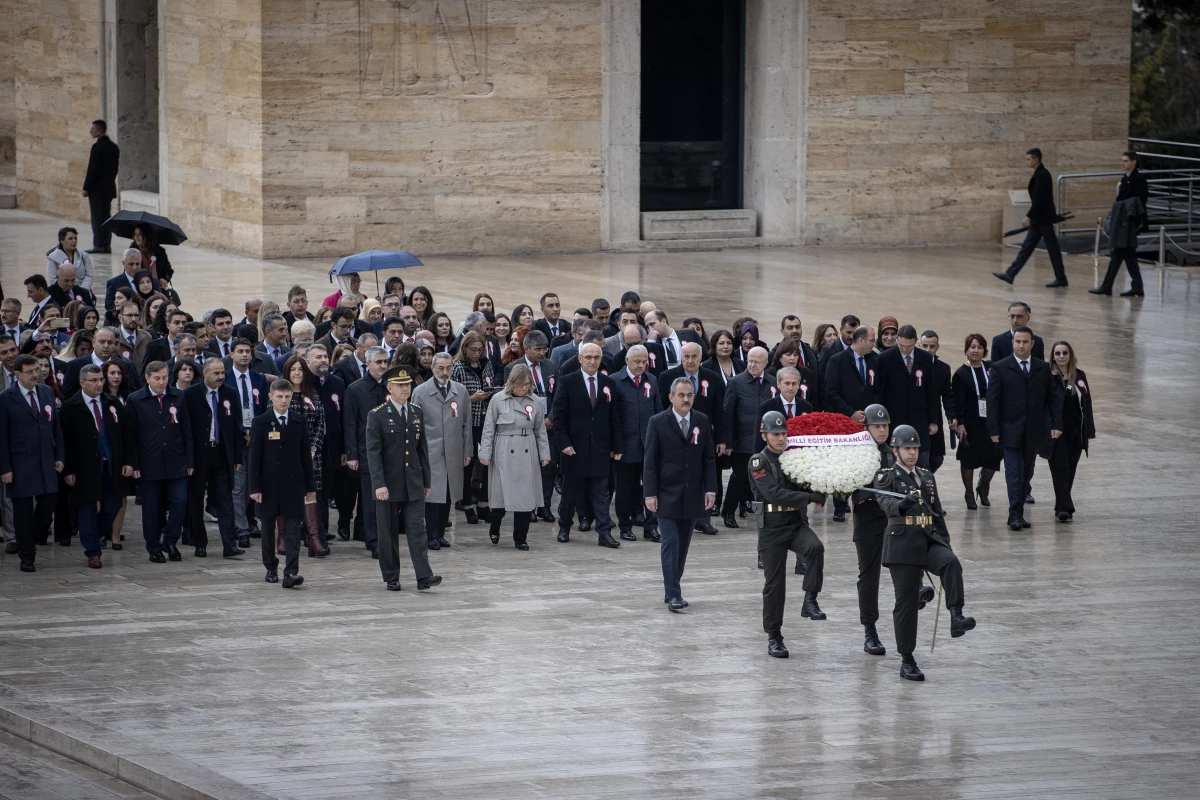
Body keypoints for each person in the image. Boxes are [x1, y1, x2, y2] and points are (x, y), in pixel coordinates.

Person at [874, 425, 977, 681]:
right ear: (896, 450)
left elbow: (937, 514)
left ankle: (956, 615)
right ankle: (907, 659)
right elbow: (886, 504)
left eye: (915, 449)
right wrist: (902, 504)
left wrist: (945, 544)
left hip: (928, 538)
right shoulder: (886, 477)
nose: (911, 453)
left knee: (951, 562)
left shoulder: (927, 476)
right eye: (907, 449)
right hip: (902, 545)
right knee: (906, 604)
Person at [749, 411, 828, 659]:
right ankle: (774, 636)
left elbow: (806, 482)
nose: (781, 438)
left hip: (794, 524)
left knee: (815, 547)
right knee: (775, 585)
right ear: (765, 436)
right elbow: (773, 494)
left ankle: (810, 600)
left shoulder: (795, 459)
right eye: (775, 434)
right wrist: (808, 498)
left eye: (784, 433)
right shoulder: (758, 462)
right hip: (772, 528)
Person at [643, 377, 717, 611]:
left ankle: (671, 585)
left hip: (692, 493)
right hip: (665, 494)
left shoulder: (701, 421)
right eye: (682, 395)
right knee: (670, 543)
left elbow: (708, 458)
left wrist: (710, 489)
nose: (686, 400)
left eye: (690, 395)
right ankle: (674, 594)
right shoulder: (658, 422)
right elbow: (650, 461)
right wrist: (650, 493)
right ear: (671, 397)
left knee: (683, 546)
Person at [366, 366, 441, 592]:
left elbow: (422, 449)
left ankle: (423, 576)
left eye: (407, 384)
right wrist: (378, 484)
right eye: (400, 385)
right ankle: (391, 576)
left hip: (413, 482)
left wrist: (426, 480)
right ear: (389, 388)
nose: (405, 389)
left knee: (418, 529)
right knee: (388, 533)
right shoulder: (377, 414)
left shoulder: (416, 411)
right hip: (388, 483)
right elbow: (373, 453)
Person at [986, 326, 1063, 530]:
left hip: (1034, 431)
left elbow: (1052, 399)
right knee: (1014, 473)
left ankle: (1018, 512)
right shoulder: (1001, 367)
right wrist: (993, 430)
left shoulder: (1042, 368)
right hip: (1009, 431)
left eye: (1025, 342)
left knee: (1026, 472)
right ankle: (1015, 514)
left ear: (1032, 344)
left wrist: (1056, 424)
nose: (1021, 345)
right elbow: (992, 402)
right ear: (1013, 343)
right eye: (1018, 341)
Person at [62, 364, 134, 569]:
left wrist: (129, 461)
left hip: (111, 464)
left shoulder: (112, 403)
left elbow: (126, 434)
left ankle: (95, 534)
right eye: (94, 380)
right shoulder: (71, 406)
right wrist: (68, 470)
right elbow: (65, 441)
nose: (99, 384)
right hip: (85, 468)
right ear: (82, 382)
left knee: (114, 504)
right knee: (87, 509)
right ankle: (93, 552)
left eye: (100, 380)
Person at [551, 342, 623, 546]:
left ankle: (604, 532)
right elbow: (559, 417)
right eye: (588, 357)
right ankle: (564, 526)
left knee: (601, 493)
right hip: (574, 449)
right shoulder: (567, 381)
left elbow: (614, 418)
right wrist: (563, 443)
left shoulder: (608, 383)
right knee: (570, 494)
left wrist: (617, 446)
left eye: (596, 358)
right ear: (580, 359)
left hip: (600, 448)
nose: (592, 361)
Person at [248, 379, 316, 588]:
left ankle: (291, 571)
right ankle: (270, 567)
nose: (283, 400)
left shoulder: (298, 420)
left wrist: (310, 487)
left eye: (287, 396)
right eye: (279, 396)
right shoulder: (261, 422)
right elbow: (255, 456)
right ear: (271, 397)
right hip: (268, 485)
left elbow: (305, 455)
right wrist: (255, 487)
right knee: (268, 528)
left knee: (294, 529)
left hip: (293, 483)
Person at [0, 355, 65, 572]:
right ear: (17, 374)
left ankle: (35, 535)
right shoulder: (6, 398)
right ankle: (27, 555)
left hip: (46, 458)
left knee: (49, 503)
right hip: (20, 462)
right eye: (29, 371)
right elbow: (2, 436)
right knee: (23, 512)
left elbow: (56, 427)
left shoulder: (46, 392)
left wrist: (59, 456)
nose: (35, 374)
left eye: (36, 370)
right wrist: (5, 468)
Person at [478, 363, 552, 549]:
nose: (523, 388)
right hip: (503, 449)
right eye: (520, 385)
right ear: (511, 383)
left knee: (525, 500)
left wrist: (545, 454)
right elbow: (488, 428)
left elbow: (540, 430)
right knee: (500, 499)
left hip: (526, 449)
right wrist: (485, 453)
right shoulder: (498, 400)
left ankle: (520, 538)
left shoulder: (534, 401)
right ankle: (495, 527)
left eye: (527, 384)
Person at [657, 341, 727, 534]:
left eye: (694, 356)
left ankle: (703, 519)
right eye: (686, 356)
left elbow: (719, 411)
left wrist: (721, 439)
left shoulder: (712, 378)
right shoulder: (667, 377)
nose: (689, 360)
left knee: (703, 474)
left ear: (701, 358)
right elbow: (661, 409)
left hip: (703, 436)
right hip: (674, 438)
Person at [127, 361, 194, 562]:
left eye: (164, 378)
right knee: (151, 508)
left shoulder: (178, 396)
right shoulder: (136, 400)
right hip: (149, 463)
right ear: (147, 378)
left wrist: (190, 461)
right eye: (157, 378)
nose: (161, 382)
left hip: (176, 461)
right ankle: (153, 547)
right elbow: (130, 435)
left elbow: (187, 431)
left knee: (180, 501)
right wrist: (134, 464)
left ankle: (171, 541)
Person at [182, 358, 244, 558]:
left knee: (225, 500)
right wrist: (188, 460)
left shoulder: (230, 393)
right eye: (216, 373)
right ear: (205, 374)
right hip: (199, 455)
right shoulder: (191, 395)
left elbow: (236, 426)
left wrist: (237, 457)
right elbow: (186, 430)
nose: (220, 377)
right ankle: (200, 542)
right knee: (196, 498)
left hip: (221, 453)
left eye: (222, 373)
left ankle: (230, 544)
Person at [411, 352, 472, 549]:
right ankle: (431, 535)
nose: (444, 373)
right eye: (440, 368)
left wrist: (467, 451)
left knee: (448, 494)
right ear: (432, 368)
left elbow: (466, 424)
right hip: (430, 451)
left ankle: (441, 533)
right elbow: (414, 426)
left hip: (453, 450)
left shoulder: (461, 391)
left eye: (448, 368)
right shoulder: (420, 392)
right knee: (432, 494)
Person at [822, 325, 879, 521]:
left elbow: (877, 389)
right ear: (861, 340)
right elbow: (831, 392)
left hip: (868, 421)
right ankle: (840, 506)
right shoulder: (837, 361)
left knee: (865, 463)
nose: (874, 344)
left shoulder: (875, 360)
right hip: (844, 421)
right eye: (872, 340)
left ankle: (864, 501)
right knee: (842, 464)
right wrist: (850, 413)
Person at [994, 147, 1068, 287]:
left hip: (1043, 218)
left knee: (1052, 249)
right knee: (1027, 247)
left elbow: (1040, 199)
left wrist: (1028, 216)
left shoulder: (1042, 174)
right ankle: (1010, 274)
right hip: (1039, 219)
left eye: (1028, 159)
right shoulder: (1039, 174)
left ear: (1036, 159)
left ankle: (1061, 278)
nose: (1027, 162)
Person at [611, 345, 662, 542]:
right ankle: (625, 526)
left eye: (644, 362)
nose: (641, 365)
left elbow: (658, 412)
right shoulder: (616, 381)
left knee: (651, 487)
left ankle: (651, 526)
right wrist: (615, 446)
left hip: (649, 444)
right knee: (624, 488)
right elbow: (613, 417)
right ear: (627, 361)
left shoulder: (652, 380)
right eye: (637, 362)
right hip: (625, 445)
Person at [721, 346, 775, 529]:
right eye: (750, 361)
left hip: (767, 442)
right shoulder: (736, 383)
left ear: (765, 363)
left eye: (757, 362)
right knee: (739, 477)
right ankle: (728, 511)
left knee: (766, 479)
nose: (752, 365)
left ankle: (765, 512)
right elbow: (727, 414)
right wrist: (728, 441)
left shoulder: (773, 383)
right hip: (744, 440)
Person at [282, 354, 329, 557]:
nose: (297, 373)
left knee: (311, 494)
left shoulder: (313, 395)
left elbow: (320, 425)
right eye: (293, 369)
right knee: (286, 495)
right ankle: (283, 538)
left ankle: (313, 539)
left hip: (311, 456)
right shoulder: (281, 394)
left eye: (300, 369)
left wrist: (313, 448)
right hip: (287, 456)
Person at [345, 346, 389, 557]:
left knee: (387, 498)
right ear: (368, 363)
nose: (382, 365)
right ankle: (373, 541)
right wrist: (352, 455)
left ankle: (385, 537)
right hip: (366, 452)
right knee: (370, 500)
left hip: (390, 452)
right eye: (378, 362)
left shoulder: (391, 387)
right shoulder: (355, 389)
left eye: (385, 361)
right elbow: (351, 423)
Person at [875, 324, 939, 468]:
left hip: (919, 419)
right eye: (901, 345)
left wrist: (933, 420)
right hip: (894, 419)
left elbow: (931, 391)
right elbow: (880, 392)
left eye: (909, 346)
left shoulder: (926, 358)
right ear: (897, 340)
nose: (905, 349)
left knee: (922, 463)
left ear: (916, 341)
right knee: (894, 463)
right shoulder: (885, 359)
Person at [451, 331, 497, 524]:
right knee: (468, 464)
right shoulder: (457, 368)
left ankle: (484, 503)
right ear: (465, 348)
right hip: (468, 422)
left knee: (487, 461)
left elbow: (490, 384)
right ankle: (467, 503)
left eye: (480, 350)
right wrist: (472, 399)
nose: (477, 353)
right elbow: (453, 400)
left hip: (486, 420)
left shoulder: (486, 365)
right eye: (473, 350)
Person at [951, 333, 1001, 510]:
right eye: (972, 347)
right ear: (966, 350)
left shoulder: (992, 368)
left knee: (994, 457)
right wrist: (960, 424)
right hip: (971, 422)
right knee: (969, 458)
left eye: (980, 347)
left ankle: (984, 485)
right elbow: (958, 402)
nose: (976, 350)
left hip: (992, 421)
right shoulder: (960, 374)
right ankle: (969, 491)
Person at [1091, 150, 1151, 297]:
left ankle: (1107, 287)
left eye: (1126, 161)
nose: (1123, 163)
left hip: (1129, 224)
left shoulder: (1138, 180)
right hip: (1123, 223)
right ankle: (1136, 287)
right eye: (1122, 161)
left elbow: (1140, 201)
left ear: (1133, 162)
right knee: (1128, 256)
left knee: (1119, 254)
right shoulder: (1125, 179)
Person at [1048, 341, 1095, 522]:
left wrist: (1089, 429)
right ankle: (1065, 507)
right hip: (1055, 430)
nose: (1061, 356)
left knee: (1071, 468)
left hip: (1075, 430)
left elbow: (1087, 403)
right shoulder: (1049, 377)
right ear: (1053, 356)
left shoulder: (1079, 376)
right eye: (1058, 353)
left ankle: (1061, 505)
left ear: (1070, 355)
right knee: (1060, 468)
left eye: (1064, 353)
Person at [917, 330, 957, 473]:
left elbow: (947, 394)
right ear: (918, 345)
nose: (928, 350)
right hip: (917, 416)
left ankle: (923, 481)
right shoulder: (913, 365)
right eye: (924, 346)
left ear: (937, 347)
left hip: (935, 416)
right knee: (922, 458)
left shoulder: (943, 368)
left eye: (932, 346)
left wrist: (951, 416)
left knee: (937, 458)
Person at [82, 119, 119, 254]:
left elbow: (93, 169)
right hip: (108, 188)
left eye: (93, 129)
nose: (90, 131)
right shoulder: (114, 147)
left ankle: (98, 245)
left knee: (97, 218)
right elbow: (115, 169)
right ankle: (106, 244)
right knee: (105, 217)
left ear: (99, 131)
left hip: (97, 190)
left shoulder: (97, 147)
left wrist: (86, 187)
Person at [47, 226, 96, 291]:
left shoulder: (84, 256)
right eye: (70, 239)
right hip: (62, 294)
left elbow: (89, 276)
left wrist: (82, 290)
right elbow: (53, 279)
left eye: (75, 238)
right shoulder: (53, 258)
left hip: (83, 294)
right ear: (62, 241)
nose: (74, 241)